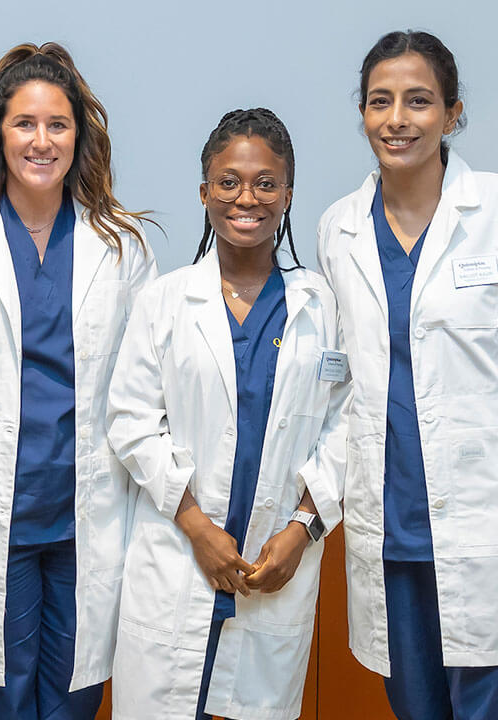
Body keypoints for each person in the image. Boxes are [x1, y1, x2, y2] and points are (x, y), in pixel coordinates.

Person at [316, 31, 498, 719]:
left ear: (452, 114)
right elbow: (342, 383)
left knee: (492, 703)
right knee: (414, 706)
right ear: (362, 114)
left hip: (492, 521)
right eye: (380, 101)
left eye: (419, 101)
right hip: (390, 526)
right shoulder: (340, 228)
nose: (397, 119)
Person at [0, 42, 158, 720]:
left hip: (87, 520)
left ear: (80, 135)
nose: (42, 141)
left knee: (74, 702)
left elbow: (148, 387)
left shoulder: (122, 244)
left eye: (58, 125)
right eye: (24, 124)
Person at [107, 108, 347, 720]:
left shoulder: (321, 305)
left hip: (275, 562)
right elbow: (132, 422)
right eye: (229, 181)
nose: (248, 198)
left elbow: (347, 428)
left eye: (266, 183)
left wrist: (303, 530)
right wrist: (197, 528)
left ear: (288, 194)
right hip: (178, 555)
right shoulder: (164, 301)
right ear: (205, 191)